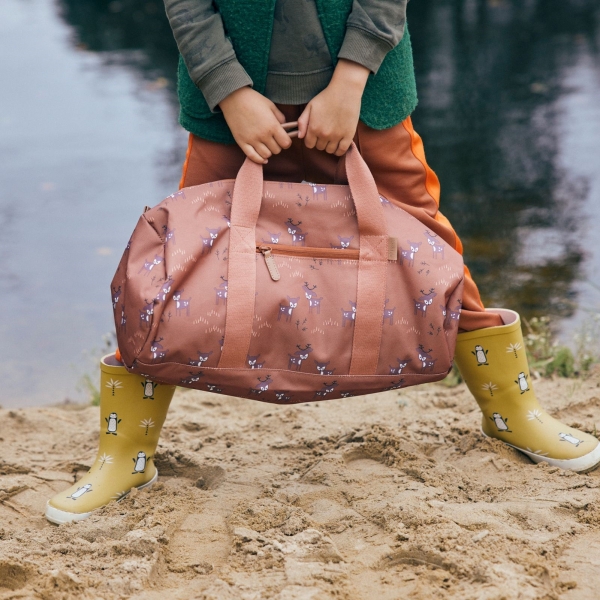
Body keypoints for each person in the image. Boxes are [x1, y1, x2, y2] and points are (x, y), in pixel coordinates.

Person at [45, 0, 600, 525]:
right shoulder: (228, 99)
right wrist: (230, 90)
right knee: (181, 267)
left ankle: (512, 414)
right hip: (229, 108)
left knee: (425, 247)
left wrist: (350, 81)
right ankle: (127, 455)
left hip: (364, 97)